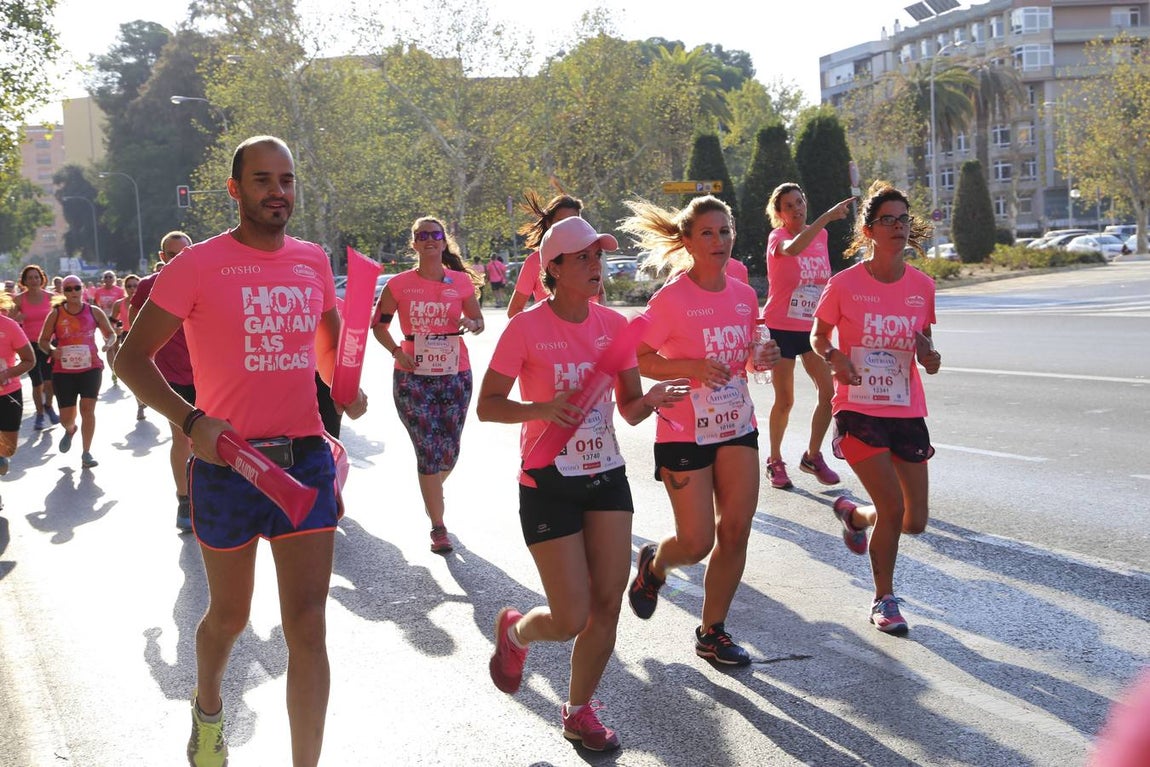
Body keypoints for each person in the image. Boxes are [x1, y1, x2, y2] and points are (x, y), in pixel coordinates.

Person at [115, 136, 367, 767]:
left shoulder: (311, 261)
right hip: (228, 466)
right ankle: (207, 711)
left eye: (286, 180)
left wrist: (348, 386)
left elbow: (329, 351)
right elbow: (130, 358)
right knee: (228, 617)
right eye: (262, 180)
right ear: (234, 190)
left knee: (308, 624)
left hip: (303, 460)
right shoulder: (196, 265)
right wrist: (189, 419)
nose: (277, 192)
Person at [478, 216, 688, 751]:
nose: (598, 267)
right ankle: (516, 632)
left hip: (606, 476)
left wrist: (655, 396)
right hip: (546, 480)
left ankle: (577, 710)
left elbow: (630, 410)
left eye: (599, 256)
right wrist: (543, 408)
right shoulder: (525, 328)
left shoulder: (614, 327)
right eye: (585, 258)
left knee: (607, 604)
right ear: (555, 268)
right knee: (570, 616)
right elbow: (487, 406)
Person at [619, 195, 779, 666]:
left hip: (735, 424)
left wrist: (759, 358)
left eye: (725, 231)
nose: (719, 241)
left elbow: (746, 354)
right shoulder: (671, 299)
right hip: (683, 431)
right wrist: (691, 367)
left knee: (736, 528)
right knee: (696, 542)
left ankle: (713, 632)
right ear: (687, 241)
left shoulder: (745, 295)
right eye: (707, 233)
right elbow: (637, 355)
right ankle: (656, 563)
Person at [811, 181, 942, 636]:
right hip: (858, 407)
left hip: (905, 409)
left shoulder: (922, 286)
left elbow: (923, 344)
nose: (898, 227)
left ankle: (853, 514)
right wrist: (834, 357)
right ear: (869, 230)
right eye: (887, 220)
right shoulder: (844, 284)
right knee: (891, 505)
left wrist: (930, 356)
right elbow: (818, 335)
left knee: (914, 520)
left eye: (903, 219)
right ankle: (884, 599)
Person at [372, 216, 484, 553]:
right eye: (422, 236)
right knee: (427, 452)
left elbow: (478, 321)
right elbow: (378, 325)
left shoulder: (461, 282)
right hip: (412, 375)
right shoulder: (399, 284)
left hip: (454, 372)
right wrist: (395, 351)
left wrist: (471, 322)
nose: (429, 240)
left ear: (444, 240)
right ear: (415, 243)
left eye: (435, 234)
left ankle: (431, 486)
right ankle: (438, 527)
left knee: (449, 452)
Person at [760, 184, 855, 490]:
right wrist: (827, 217)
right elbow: (794, 249)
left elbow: (823, 280)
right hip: (782, 327)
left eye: (800, 202)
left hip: (812, 328)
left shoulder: (822, 236)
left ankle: (812, 456)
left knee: (830, 394)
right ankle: (775, 460)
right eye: (789, 205)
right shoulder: (778, 238)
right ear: (780, 214)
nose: (797, 208)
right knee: (785, 399)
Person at [129, 231, 196, 530]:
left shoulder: (206, 278)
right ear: (162, 257)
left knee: (219, 435)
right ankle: (185, 500)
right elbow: (135, 333)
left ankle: (213, 495)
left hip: (208, 373)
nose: (180, 259)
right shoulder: (147, 287)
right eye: (172, 254)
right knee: (182, 437)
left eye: (185, 252)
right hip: (170, 375)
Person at [37, 275, 117, 469]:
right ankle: (71, 429)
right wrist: (52, 351)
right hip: (63, 371)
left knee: (88, 410)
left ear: (83, 290)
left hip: (91, 368)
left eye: (77, 288)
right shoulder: (56, 314)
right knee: (66, 418)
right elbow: (43, 340)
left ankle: (86, 453)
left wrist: (108, 343)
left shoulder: (94, 311)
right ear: (63, 292)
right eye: (69, 289)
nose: (73, 292)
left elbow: (111, 333)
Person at [506, 191, 583, 319]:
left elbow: (600, 296)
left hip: (584, 338)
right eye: (561, 221)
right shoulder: (534, 261)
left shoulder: (588, 257)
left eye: (573, 221)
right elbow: (514, 310)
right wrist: (538, 332)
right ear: (549, 223)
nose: (567, 227)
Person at [12, 265, 59, 430]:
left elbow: (60, 317)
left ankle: (49, 406)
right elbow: (9, 321)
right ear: (24, 281)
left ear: (42, 279)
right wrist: (18, 317)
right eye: (30, 278)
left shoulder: (52, 297)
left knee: (49, 381)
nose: (33, 280)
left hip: (48, 343)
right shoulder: (19, 299)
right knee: (36, 383)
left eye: (36, 277)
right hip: (29, 345)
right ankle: (39, 415)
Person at [0, 292, 37, 481]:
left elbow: (29, 360)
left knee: (8, 448)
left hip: (7, 393)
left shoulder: (8, 325)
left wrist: (6, 374)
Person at [110, 274, 140, 405]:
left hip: (144, 335)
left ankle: (144, 396)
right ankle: (139, 402)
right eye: (129, 286)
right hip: (127, 336)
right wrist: (115, 330)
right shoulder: (119, 304)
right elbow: (112, 321)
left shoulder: (147, 301)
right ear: (125, 288)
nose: (132, 289)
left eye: (135, 286)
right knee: (135, 372)